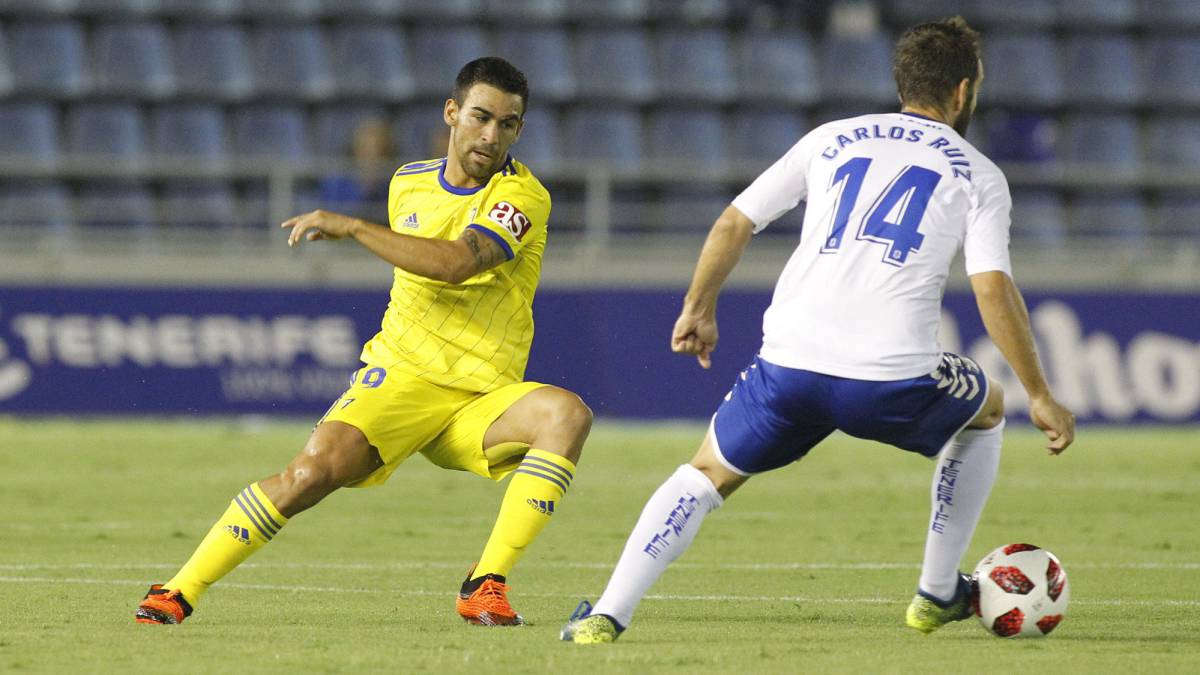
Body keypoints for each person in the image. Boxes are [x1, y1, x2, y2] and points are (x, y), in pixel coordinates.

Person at [560, 17, 1075, 644]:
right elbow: (992, 288)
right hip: (890, 376)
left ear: (902, 82)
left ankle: (606, 615)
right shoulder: (977, 173)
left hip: (790, 365)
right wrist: (1040, 393)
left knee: (704, 474)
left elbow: (733, 222)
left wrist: (699, 307)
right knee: (988, 412)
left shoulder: (830, 139)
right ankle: (938, 592)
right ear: (964, 91)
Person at [136, 57, 592, 627]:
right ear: (452, 113)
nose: (490, 134)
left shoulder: (522, 198)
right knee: (309, 475)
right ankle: (178, 592)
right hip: (401, 379)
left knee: (566, 416)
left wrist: (351, 226)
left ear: (518, 131)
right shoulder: (408, 183)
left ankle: (486, 583)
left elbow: (455, 264)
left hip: (481, 398)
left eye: (507, 123)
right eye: (480, 117)